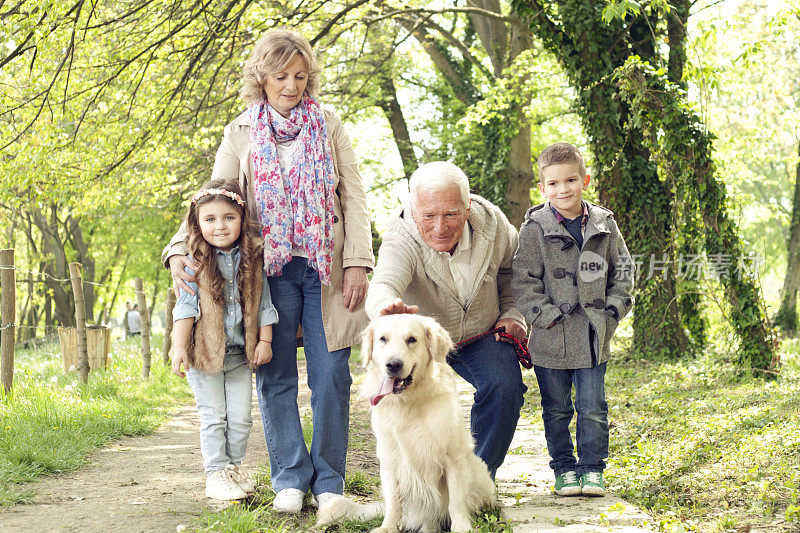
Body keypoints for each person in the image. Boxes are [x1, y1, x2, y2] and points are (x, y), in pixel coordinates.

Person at [162, 28, 374, 513]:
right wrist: (180, 248)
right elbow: (213, 194)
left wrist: (359, 261)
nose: (292, 86)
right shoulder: (240, 131)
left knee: (331, 373)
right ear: (262, 77)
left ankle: (330, 481)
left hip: (327, 267)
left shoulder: (330, 124)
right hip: (267, 272)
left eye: (300, 76)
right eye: (281, 76)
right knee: (274, 374)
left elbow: (355, 197)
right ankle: (290, 479)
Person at [365, 161, 528, 479]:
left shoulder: (495, 227)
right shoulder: (402, 237)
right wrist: (385, 306)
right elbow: (384, 281)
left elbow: (514, 273)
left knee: (505, 387)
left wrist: (512, 312)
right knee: (418, 405)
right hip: (425, 341)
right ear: (414, 209)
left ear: (467, 207)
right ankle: (424, 483)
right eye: (428, 215)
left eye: (451, 214)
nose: (440, 227)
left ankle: (477, 480)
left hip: (482, 334)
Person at [510, 142, 634, 497]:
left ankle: (592, 468)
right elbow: (523, 279)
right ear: (542, 187)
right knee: (558, 409)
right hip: (551, 338)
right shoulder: (534, 228)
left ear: (585, 180)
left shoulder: (604, 224)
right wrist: (545, 316)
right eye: (553, 183)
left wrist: (612, 312)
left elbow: (623, 272)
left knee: (593, 406)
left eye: (570, 180)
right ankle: (564, 468)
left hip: (594, 335)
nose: (562, 189)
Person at [170, 179, 279, 501]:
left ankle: (234, 467)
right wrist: (179, 347)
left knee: (242, 418)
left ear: (242, 219)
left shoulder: (254, 257)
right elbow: (185, 308)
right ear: (197, 222)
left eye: (229, 217)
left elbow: (264, 303)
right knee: (214, 416)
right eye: (210, 219)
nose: (220, 226)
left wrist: (266, 340)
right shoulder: (193, 261)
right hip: (205, 355)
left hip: (240, 355)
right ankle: (216, 471)